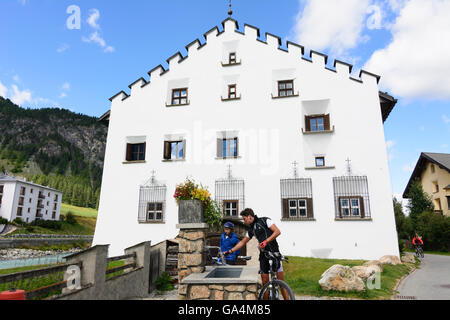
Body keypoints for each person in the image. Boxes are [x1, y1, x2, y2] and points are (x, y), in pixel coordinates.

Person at [224, 208, 289, 300]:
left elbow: (277, 232)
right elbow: (242, 242)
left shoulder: (265, 220)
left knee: (282, 283)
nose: (244, 221)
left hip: (275, 253)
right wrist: (230, 251)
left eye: (244, 218)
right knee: (265, 283)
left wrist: (266, 241)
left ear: (250, 217)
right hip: (263, 256)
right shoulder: (251, 230)